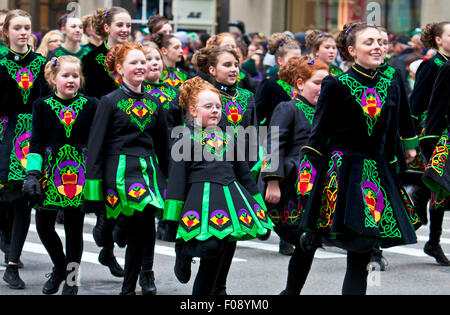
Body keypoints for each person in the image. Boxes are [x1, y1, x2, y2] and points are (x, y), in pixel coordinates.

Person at [299, 21, 420, 295]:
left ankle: (317, 235)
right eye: (369, 42)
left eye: (381, 41)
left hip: (376, 169)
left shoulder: (392, 78)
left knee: (362, 248)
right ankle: (311, 239)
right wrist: (308, 178)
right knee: (355, 242)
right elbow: (319, 134)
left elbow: (402, 115)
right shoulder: (336, 84)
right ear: (352, 50)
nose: (377, 46)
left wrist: (409, 146)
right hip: (342, 170)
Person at [162, 76, 272, 295]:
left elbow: (244, 174)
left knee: (216, 257)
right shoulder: (184, 138)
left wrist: (260, 209)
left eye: (218, 106)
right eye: (208, 106)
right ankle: (183, 252)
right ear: (193, 110)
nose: (215, 110)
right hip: (197, 204)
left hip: (228, 202)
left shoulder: (229, 137)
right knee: (210, 248)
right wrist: (172, 225)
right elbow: (176, 182)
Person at [83, 42, 169, 295]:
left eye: (143, 61)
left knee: (143, 225)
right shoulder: (109, 102)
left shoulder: (156, 103)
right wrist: (94, 192)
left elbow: (163, 148)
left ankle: (136, 281)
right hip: (120, 172)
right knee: (140, 225)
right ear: (120, 69)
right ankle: (134, 281)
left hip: (149, 173)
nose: (141, 66)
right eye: (134, 62)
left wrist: (169, 182)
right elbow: (96, 145)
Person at [22, 55, 98, 295]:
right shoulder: (41, 105)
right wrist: (32, 174)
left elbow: (97, 142)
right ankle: (58, 267)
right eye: (66, 75)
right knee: (44, 226)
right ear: (53, 79)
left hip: (80, 176)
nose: (71, 80)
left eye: (75, 76)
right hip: (49, 174)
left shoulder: (91, 104)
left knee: (74, 230)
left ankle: (72, 280)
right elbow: (35, 143)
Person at [193, 45, 260, 294]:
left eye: (235, 65)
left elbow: (253, 134)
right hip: (209, 171)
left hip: (238, 172)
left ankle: (220, 286)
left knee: (232, 231)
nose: (233, 70)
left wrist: (251, 169)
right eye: (227, 65)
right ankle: (187, 258)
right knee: (211, 233)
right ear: (212, 69)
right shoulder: (202, 95)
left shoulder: (247, 96)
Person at [260, 56, 328, 295]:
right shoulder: (287, 108)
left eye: (327, 83)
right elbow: (274, 144)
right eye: (318, 82)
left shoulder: (325, 112)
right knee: (301, 236)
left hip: (316, 186)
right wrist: (273, 182)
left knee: (307, 245)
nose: (323, 88)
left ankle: (291, 291)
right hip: (289, 185)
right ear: (300, 84)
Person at [81, 6, 133, 277]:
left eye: (128, 25)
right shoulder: (91, 59)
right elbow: (86, 98)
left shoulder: (136, 56)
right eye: (119, 25)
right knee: (108, 189)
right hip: (103, 132)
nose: (124, 29)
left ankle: (115, 230)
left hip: (133, 133)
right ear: (106, 28)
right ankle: (107, 245)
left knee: (130, 196)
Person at [0, 9, 48, 290]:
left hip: (31, 139)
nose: (22, 32)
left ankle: (13, 265)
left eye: (26, 27)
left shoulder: (43, 64)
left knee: (22, 202)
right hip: (3, 134)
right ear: (6, 32)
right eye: (17, 27)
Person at [409, 21, 450, 265]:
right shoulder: (431, 65)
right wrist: (414, 138)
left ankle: (420, 197)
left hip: (445, 132)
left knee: (438, 186)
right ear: (438, 40)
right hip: (432, 134)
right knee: (438, 184)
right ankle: (432, 241)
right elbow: (417, 104)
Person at [420, 60, 450, 265]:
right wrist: (429, 142)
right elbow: (436, 107)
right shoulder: (446, 68)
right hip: (447, 138)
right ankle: (433, 241)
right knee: (441, 190)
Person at [255, 32, 301, 127]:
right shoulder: (269, 84)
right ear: (280, 60)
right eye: (293, 59)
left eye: (299, 59)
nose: (297, 63)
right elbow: (258, 116)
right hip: (274, 136)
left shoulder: (302, 83)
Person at [142, 41, 182, 134]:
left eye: (158, 59)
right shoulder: (135, 91)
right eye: (148, 59)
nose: (155, 62)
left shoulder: (174, 93)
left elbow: (179, 126)